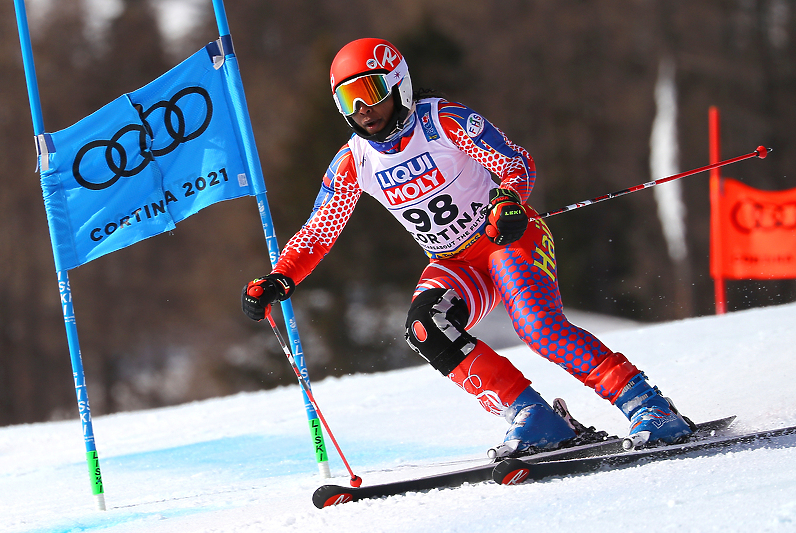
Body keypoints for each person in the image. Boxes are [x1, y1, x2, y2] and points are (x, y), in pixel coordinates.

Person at [242, 38, 693, 456]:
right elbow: (320, 230)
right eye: (348, 100)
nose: (363, 109)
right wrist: (282, 276)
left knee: (537, 328)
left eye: (370, 90)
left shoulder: (441, 120)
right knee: (425, 328)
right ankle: (533, 417)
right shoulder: (354, 161)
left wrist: (509, 199)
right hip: (456, 263)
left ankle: (648, 406)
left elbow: (514, 162)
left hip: (505, 238)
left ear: (398, 83)